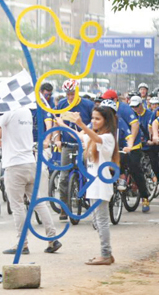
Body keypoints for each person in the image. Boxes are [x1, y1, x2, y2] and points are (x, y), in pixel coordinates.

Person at [0, 106, 60, 255]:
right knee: (38, 202)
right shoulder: (27, 112)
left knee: (17, 206)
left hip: (14, 165)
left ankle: (22, 243)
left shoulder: (7, 112)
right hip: (30, 162)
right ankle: (53, 238)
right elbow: (12, 133)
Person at [54, 108, 119, 265]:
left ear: (106, 121)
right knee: (96, 221)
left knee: (101, 221)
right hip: (93, 185)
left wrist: (81, 124)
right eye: (93, 118)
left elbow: (95, 138)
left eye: (98, 119)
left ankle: (106, 254)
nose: (94, 121)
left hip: (101, 184)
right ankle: (106, 253)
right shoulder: (92, 136)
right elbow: (79, 135)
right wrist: (62, 124)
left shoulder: (108, 137)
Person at [53, 79, 96, 220]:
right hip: (68, 144)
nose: (70, 97)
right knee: (64, 176)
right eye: (67, 94)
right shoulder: (62, 104)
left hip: (84, 144)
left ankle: (90, 198)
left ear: (77, 92)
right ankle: (64, 208)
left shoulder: (88, 105)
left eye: (72, 94)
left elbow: (94, 122)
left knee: (89, 170)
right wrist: (57, 139)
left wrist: (86, 134)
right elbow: (58, 123)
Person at [102, 90, 150, 212]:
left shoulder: (124, 109)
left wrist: (131, 142)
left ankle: (144, 197)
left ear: (114, 100)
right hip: (115, 145)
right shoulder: (105, 110)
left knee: (135, 169)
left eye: (106, 99)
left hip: (131, 145)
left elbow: (135, 125)